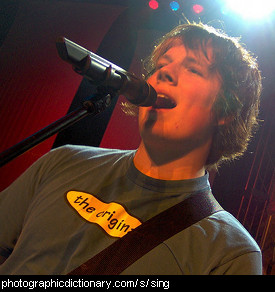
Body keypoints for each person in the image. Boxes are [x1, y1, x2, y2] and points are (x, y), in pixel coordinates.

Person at [0, 22, 262, 275]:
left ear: (227, 110)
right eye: (161, 65)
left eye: (193, 69)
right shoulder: (61, 162)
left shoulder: (230, 253)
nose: (164, 73)